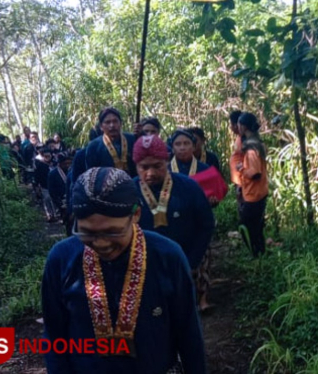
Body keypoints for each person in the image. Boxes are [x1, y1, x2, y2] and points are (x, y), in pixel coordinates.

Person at [42, 167, 206, 374]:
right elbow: (54, 334)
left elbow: (189, 333)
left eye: (112, 232)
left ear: (136, 214)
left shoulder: (167, 256)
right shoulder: (61, 259)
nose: (101, 243)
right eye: (87, 232)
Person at [132, 135, 215, 312]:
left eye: (157, 166)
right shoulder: (128, 192)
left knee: (183, 315)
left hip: (184, 267)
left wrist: (191, 261)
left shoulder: (189, 187)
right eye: (144, 167)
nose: (150, 173)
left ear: (166, 161)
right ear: (136, 165)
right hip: (144, 271)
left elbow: (206, 224)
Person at [235, 113, 269, 257]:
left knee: (248, 227)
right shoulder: (257, 143)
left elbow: (255, 172)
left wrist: (241, 169)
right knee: (256, 227)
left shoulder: (251, 148)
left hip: (254, 194)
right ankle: (259, 254)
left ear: (243, 127)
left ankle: (256, 254)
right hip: (258, 192)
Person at [85, 107, 137, 177]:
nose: (112, 125)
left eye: (115, 121)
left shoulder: (132, 140)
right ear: (101, 126)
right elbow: (91, 174)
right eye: (107, 122)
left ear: (121, 123)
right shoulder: (93, 146)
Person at [48, 152, 73, 226]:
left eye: (69, 163)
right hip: (61, 201)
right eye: (65, 163)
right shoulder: (53, 174)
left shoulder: (72, 171)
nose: (67, 165)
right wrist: (59, 204)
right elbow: (52, 191)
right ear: (60, 163)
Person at [35, 147, 57, 222]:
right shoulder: (40, 165)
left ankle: (56, 214)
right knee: (47, 199)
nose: (47, 158)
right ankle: (49, 215)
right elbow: (37, 176)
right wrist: (37, 186)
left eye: (48, 156)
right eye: (45, 156)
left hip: (54, 186)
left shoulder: (55, 164)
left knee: (54, 200)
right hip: (44, 185)